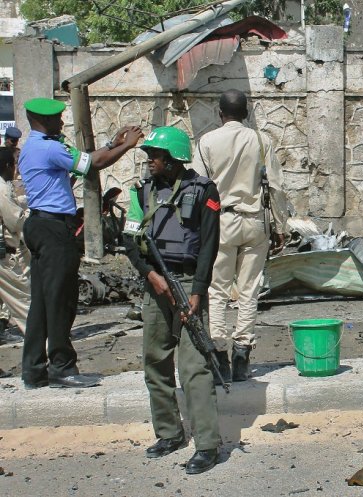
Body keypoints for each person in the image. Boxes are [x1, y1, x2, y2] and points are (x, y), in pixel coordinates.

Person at [18, 97, 142, 389]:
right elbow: (94, 164)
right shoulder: (50, 148)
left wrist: (112, 143)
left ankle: (34, 370)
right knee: (62, 300)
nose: (61, 123)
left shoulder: (31, 148)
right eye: (57, 119)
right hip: (54, 229)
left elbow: (85, 159)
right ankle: (62, 367)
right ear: (44, 121)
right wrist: (128, 145)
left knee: (42, 302)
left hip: (38, 224)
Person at [123, 126, 222, 475]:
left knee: (195, 367)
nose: (150, 160)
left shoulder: (204, 190)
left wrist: (197, 291)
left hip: (187, 285)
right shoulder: (142, 191)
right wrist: (149, 274)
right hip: (155, 284)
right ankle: (169, 433)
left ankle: (208, 445)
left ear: (174, 159)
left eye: (156, 155)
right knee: (155, 361)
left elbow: (209, 244)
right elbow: (130, 240)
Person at [191, 89, 287, 384]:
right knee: (249, 290)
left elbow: (197, 187)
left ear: (220, 113)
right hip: (255, 221)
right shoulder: (261, 140)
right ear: (246, 113)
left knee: (217, 291)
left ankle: (219, 354)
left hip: (220, 221)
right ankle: (242, 353)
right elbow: (276, 187)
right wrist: (280, 226)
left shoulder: (207, 141)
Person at [0, 146, 30, 338]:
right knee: (25, 305)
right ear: (8, 165)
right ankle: (46, 353)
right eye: (15, 163)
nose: (17, 169)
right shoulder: (2, 189)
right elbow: (15, 221)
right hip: (4, 258)